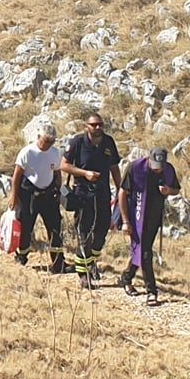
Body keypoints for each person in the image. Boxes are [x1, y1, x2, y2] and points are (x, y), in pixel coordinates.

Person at [61, 113, 122, 289]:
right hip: (83, 194)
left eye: (100, 125)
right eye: (94, 125)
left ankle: (91, 262)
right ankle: (83, 274)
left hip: (102, 193)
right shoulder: (77, 142)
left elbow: (114, 167)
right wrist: (85, 173)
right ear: (86, 126)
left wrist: (120, 190)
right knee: (84, 233)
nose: (97, 128)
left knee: (101, 231)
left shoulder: (108, 142)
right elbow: (64, 165)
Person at [117, 147, 181, 305]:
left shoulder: (168, 170)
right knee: (145, 253)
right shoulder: (134, 167)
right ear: (148, 159)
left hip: (154, 218)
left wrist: (168, 190)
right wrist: (125, 221)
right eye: (155, 166)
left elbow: (176, 190)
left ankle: (126, 278)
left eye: (160, 167)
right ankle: (151, 291)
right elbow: (122, 193)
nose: (158, 170)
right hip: (135, 215)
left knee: (141, 249)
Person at [10, 123, 66, 273]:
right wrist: (14, 196)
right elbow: (16, 176)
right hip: (29, 195)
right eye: (45, 141)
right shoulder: (27, 152)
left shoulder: (55, 152)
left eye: (51, 141)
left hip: (48, 195)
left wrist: (59, 190)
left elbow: (57, 172)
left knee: (55, 227)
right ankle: (21, 257)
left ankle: (58, 262)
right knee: (26, 226)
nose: (48, 144)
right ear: (38, 137)